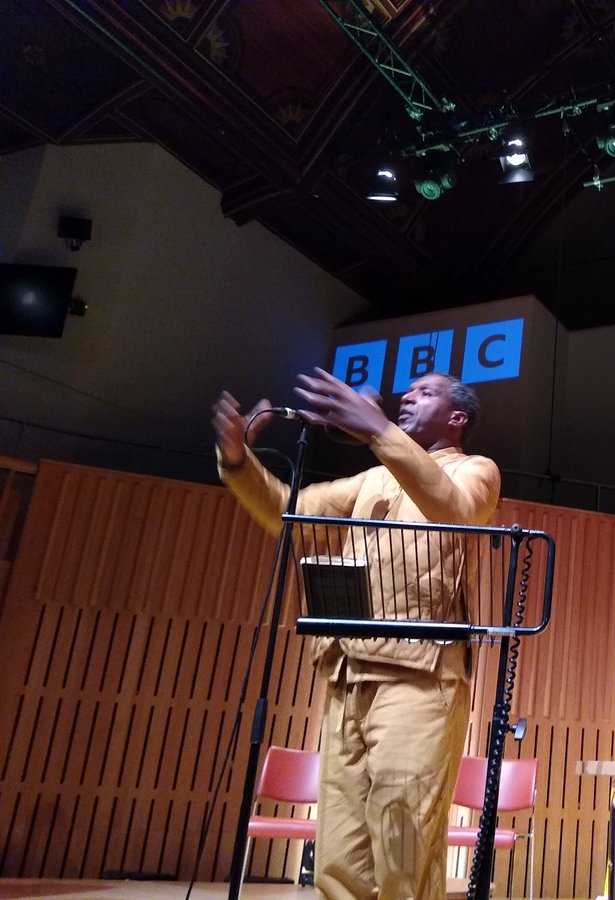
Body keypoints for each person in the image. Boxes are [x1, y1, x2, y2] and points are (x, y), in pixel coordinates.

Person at [212, 367, 500, 900]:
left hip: (420, 677)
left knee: (403, 842)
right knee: (341, 852)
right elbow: (287, 510)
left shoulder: (475, 469)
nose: (408, 397)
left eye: (425, 393)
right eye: (407, 392)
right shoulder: (371, 480)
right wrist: (237, 459)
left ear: (457, 418)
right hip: (347, 675)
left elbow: (454, 509)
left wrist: (378, 430)